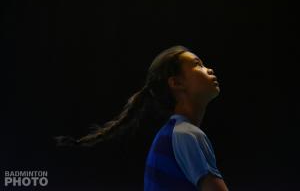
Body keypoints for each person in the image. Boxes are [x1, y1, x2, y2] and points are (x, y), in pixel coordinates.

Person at [55, 45, 228, 191]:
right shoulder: (187, 134)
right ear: (176, 83)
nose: (209, 69)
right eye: (198, 65)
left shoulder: (172, 133)